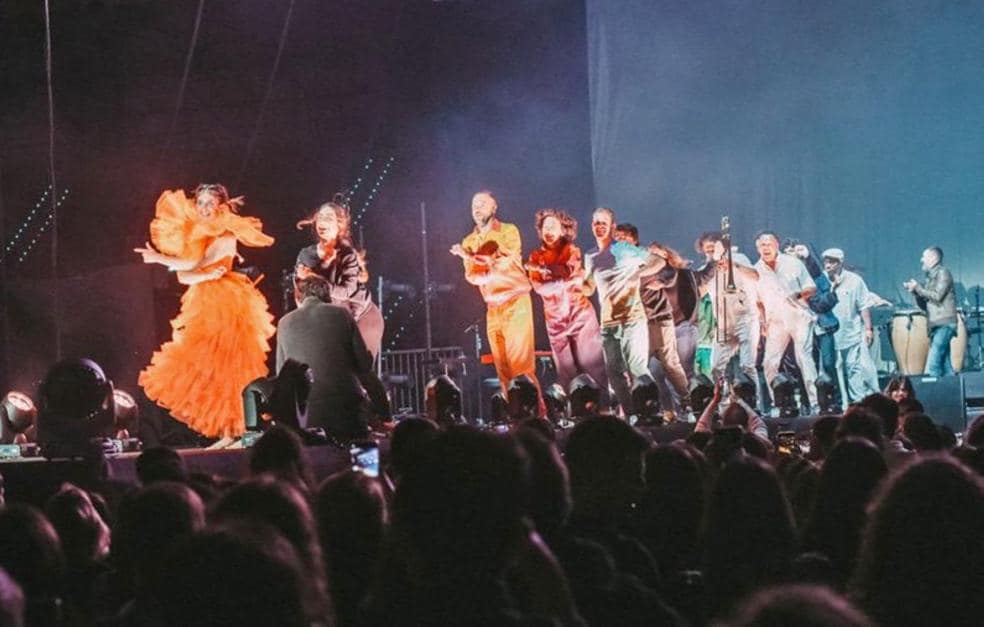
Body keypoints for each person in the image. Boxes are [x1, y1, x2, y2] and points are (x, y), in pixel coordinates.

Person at [135, 184, 275, 441]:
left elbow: (193, 265)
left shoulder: (225, 235)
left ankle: (241, 429)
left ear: (221, 206)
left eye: (210, 203)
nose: (204, 208)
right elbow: (185, 276)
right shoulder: (198, 236)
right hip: (202, 304)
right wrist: (198, 273)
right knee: (211, 368)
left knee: (230, 365)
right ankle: (226, 431)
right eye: (200, 203)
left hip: (226, 303)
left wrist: (159, 258)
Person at [451, 191, 542, 405]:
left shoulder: (508, 231)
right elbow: (473, 276)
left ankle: (537, 417)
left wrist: (473, 257)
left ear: (494, 207)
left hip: (515, 301)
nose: (477, 207)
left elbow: (503, 261)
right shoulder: (469, 240)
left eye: (483, 203)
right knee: (503, 370)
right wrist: (478, 260)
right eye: (474, 204)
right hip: (493, 307)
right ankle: (515, 416)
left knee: (521, 367)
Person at [583, 208, 666, 416]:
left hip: (632, 319)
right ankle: (631, 414)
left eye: (604, 222)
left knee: (638, 369)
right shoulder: (590, 255)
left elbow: (659, 261)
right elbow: (589, 286)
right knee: (614, 373)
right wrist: (574, 284)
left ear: (612, 226)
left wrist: (637, 273)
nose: (599, 226)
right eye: (596, 223)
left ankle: (650, 413)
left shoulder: (625, 249)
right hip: (608, 323)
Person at [276, 276, 374, 440]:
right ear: (328, 296)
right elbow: (364, 365)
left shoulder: (284, 323)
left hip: (307, 416)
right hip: (346, 409)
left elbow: (282, 374)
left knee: (317, 462)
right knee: (361, 457)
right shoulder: (342, 314)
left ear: (298, 297)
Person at [526, 209, 607, 395]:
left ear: (563, 230)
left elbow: (568, 273)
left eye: (553, 226)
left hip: (579, 315)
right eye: (545, 226)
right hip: (555, 321)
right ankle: (574, 413)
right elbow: (539, 288)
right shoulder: (535, 256)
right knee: (565, 371)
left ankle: (605, 409)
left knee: (592, 365)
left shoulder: (571, 250)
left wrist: (544, 270)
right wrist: (558, 279)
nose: (549, 230)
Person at [295, 200, 384, 360]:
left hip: (360, 317)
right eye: (320, 216)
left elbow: (345, 292)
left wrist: (314, 277)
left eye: (328, 217)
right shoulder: (305, 255)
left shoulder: (347, 255)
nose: (322, 221)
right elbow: (300, 294)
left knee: (358, 371)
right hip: (327, 320)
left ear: (339, 225)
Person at [753, 231, 819, 411]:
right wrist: (762, 322)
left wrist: (797, 295)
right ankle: (778, 401)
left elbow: (811, 287)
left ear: (777, 244)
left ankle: (815, 402)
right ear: (757, 248)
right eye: (761, 245)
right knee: (769, 362)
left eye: (769, 244)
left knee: (803, 357)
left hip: (798, 315)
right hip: (775, 320)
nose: (765, 248)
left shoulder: (793, 263)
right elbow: (758, 301)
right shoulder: (756, 270)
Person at [822, 248, 880, 402]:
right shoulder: (821, 280)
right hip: (827, 333)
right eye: (826, 261)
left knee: (853, 367)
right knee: (831, 367)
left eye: (832, 262)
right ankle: (839, 402)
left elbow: (863, 306)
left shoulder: (855, 281)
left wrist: (868, 329)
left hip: (851, 332)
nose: (828, 265)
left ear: (840, 263)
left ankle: (857, 401)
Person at [904, 246, 957, 376]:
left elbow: (937, 296)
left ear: (933, 258)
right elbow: (926, 305)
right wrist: (916, 293)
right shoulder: (931, 278)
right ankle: (952, 393)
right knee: (946, 368)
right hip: (937, 325)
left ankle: (932, 395)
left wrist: (919, 288)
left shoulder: (943, 273)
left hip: (944, 324)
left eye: (924, 256)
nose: (921, 260)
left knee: (933, 367)